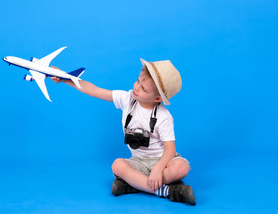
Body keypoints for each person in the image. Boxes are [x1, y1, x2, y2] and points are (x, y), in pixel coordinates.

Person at [50, 58, 196, 205]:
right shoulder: (127, 99)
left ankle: (135, 183)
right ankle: (166, 190)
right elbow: (94, 90)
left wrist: (158, 168)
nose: (137, 88)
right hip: (139, 162)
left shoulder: (164, 116)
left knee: (181, 168)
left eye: (144, 89)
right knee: (117, 165)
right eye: (138, 81)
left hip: (163, 162)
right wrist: (65, 79)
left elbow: (170, 150)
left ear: (158, 98)